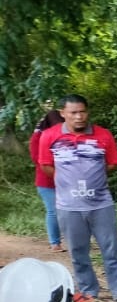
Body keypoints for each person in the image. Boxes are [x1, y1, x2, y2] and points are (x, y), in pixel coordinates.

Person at [37, 94, 117, 302]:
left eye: (82, 111)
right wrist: (67, 182)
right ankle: (89, 294)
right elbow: (46, 165)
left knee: (112, 250)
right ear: (63, 113)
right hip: (68, 206)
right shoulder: (49, 136)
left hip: (101, 203)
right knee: (78, 253)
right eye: (73, 113)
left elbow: (113, 163)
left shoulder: (103, 134)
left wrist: (93, 176)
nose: (79, 117)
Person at [29, 104, 65, 253]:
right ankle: (55, 243)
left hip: (68, 179)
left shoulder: (66, 134)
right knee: (53, 211)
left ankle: (76, 239)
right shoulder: (38, 137)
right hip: (46, 181)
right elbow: (37, 159)